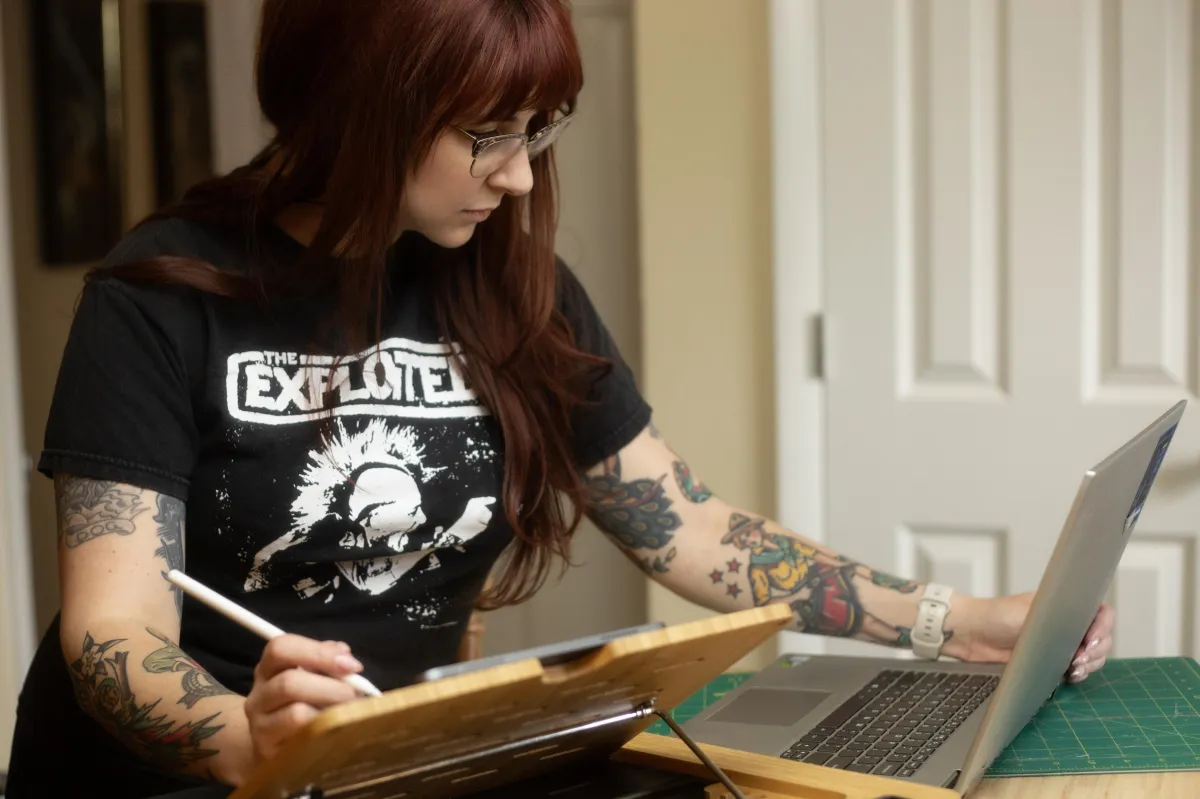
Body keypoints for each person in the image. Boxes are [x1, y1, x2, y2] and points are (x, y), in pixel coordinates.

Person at [4, 1, 1114, 796]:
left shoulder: (508, 285)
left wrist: (964, 622)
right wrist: (247, 738)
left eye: (538, 130)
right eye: (484, 136)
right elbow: (114, 627)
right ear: (358, 109)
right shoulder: (158, 296)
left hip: (397, 764)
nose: (521, 176)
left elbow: (689, 527)